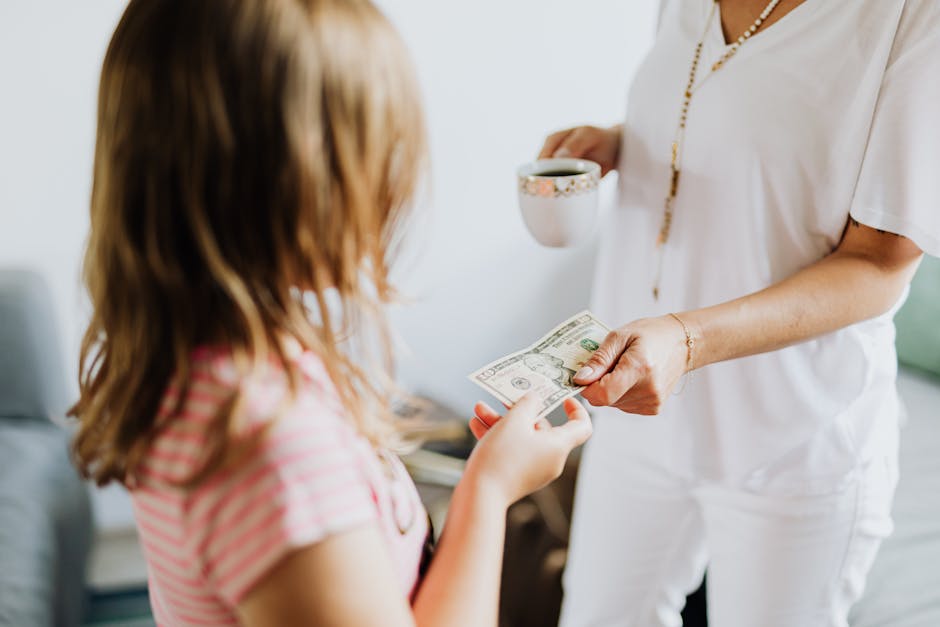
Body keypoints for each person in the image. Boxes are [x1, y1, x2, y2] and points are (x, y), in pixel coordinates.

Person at [68, 1, 592, 626]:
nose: (391, 184)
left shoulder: (194, 355)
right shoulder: (266, 442)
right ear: (280, 177)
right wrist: (490, 491)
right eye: (372, 152)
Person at [539, 0, 940, 625]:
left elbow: (880, 264)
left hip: (794, 436)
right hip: (640, 414)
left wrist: (686, 340)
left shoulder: (909, 17)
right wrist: (622, 142)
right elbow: (736, 116)